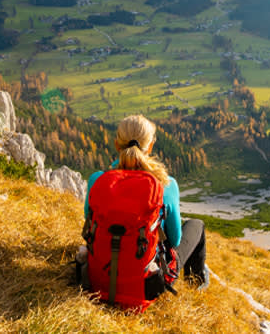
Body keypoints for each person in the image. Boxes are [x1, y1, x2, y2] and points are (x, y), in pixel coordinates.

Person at [78, 115, 209, 295]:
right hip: (148, 284)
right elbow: (175, 239)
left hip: (100, 277)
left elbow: (89, 220)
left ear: (117, 144)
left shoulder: (97, 180)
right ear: (151, 145)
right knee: (196, 225)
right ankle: (197, 286)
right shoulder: (166, 184)